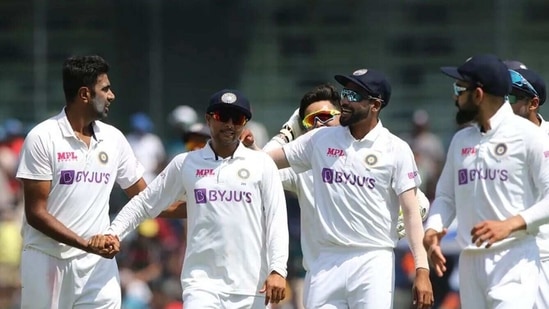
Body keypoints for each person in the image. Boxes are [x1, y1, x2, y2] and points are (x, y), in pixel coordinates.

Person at [92, 89, 289, 308]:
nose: (230, 125)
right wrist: (113, 232)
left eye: (238, 118)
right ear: (208, 119)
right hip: (202, 285)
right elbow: (145, 203)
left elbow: (277, 220)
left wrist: (278, 269)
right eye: (222, 117)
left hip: (251, 286)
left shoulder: (262, 164)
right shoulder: (185, 163)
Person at [266, 69, 433, 309]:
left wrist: (422, 269)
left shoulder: (396, 149)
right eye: (344, 93)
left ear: (375, 105)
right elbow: (263, 163)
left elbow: (411, 211)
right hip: (324, 262)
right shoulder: (320, 139)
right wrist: (290, 126)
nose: (344, 101)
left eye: (353, 96)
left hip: (373, 260)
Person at [15, 55, 148, 308]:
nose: (112, 96)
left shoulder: (114, 139)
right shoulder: (42, 137)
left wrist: (197, 203)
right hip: (47, 260)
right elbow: (35, 213)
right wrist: (86, 244)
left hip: (98, 266)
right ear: (85, 94)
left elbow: (145, 197)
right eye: (105, 89)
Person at [423, 54, 549, 309]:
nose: (454, 97)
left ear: (478, 94)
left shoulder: (529, 136)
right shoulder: (461, 141)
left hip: (514, 257)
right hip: (470, 261)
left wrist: (510, 225)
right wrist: (432, 229)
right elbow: (446, 197)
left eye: (459, 89)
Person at [503, 65, 549, 309]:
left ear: (533, 103)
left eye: (510, 98)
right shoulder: (492, 139)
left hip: (545, 255)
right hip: (506, 256)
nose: (502, 105)